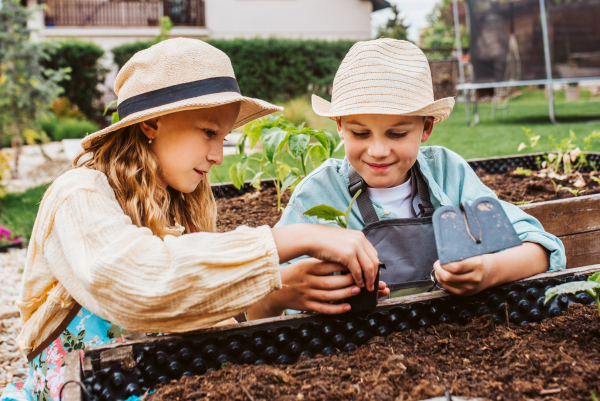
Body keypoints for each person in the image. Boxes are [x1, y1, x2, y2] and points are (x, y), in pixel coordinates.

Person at [0, 38, 381, 401]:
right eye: (208, 132)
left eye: (225, 137)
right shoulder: (79, 194)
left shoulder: (180, 198)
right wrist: (291, 239)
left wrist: (278, 290)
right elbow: (137, 282)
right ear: (152, 124)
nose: (218, 155)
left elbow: (195, 307)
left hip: (155, 378)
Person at [246, 38, 565, 319]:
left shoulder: (446, 173)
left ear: (426, 128)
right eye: (360, 133)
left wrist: (487, 271)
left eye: (397, 133)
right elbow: (258, 303)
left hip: (448, 338)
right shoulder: (319, 193)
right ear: (339, 126)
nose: (378, 150)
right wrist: (284, 292)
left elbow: (542, 249)